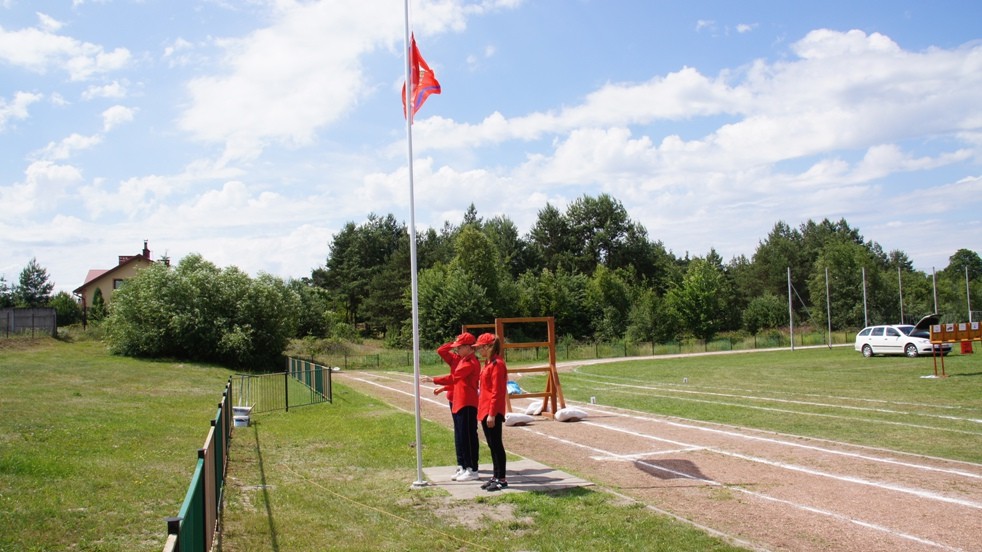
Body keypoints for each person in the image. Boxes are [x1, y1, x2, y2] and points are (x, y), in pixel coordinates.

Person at [423, 332, 481, 482]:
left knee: (468, 436)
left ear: (469, 347)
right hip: (460, 401)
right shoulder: (463, 360)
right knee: (461, 435)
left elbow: (454, 377)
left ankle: (472, 468)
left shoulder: (469, 362)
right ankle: (464, 465)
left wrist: (433, 380)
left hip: (467, 402)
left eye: (460, 347)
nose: (457, 350)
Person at [474, 332, 508, 491]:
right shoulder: (489, 363)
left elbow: (497, 391)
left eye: (480, 347)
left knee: (496, 445)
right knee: (491, 445)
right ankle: (495, 476)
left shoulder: (497, 364)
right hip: (485, 409)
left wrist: (492, 413)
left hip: (492, 411)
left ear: (488, 347)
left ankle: (502, 478)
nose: (479, 350)